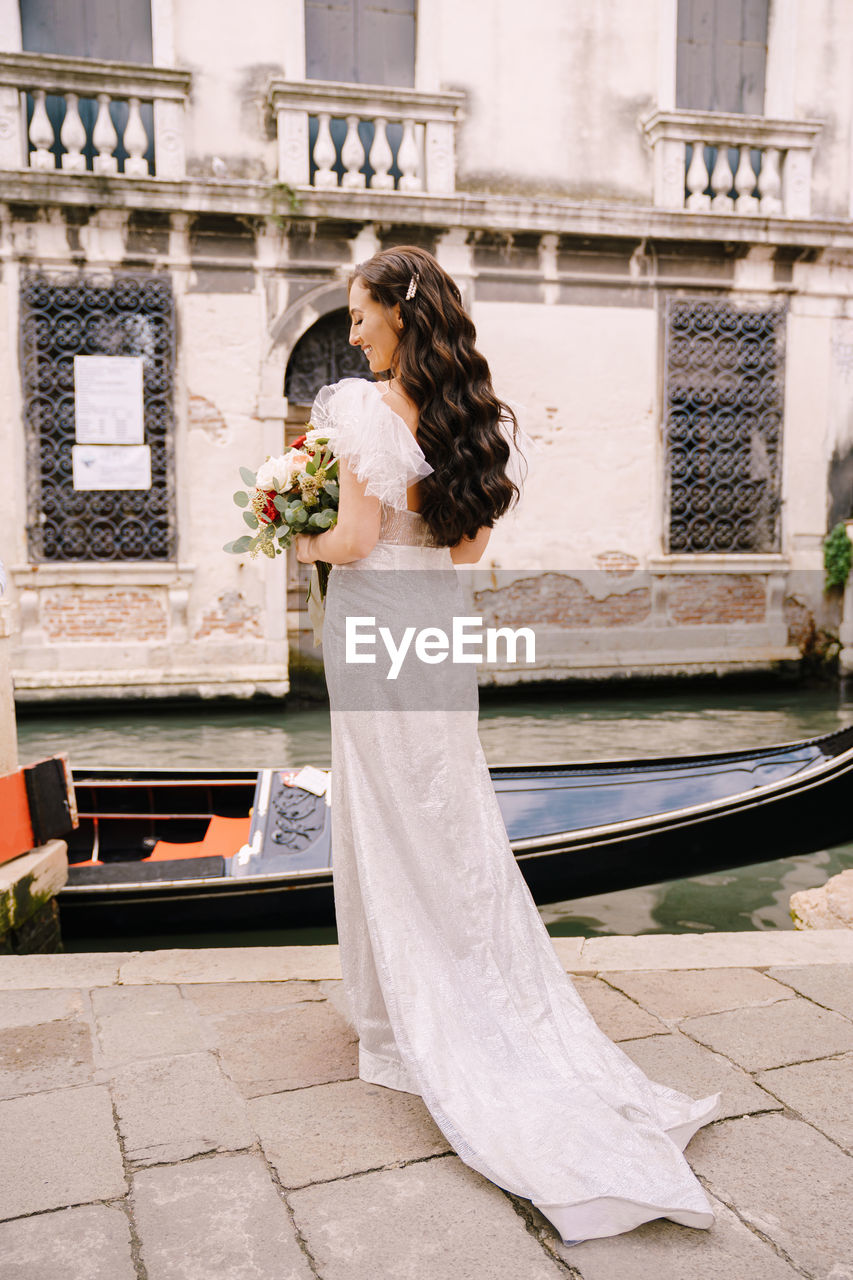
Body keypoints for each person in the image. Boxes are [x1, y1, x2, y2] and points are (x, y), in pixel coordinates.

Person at [294, 245, 722, 1247]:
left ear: (398, 313)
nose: (351, 333)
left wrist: (293, 533)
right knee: (447, 813)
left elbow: (352, 541)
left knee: (385, 814)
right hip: (438, 633)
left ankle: (401, 1023)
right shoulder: (483, 425)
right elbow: (466, 550)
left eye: (359, 315)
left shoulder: (356, 411)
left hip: (371, 626)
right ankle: (437, 995)